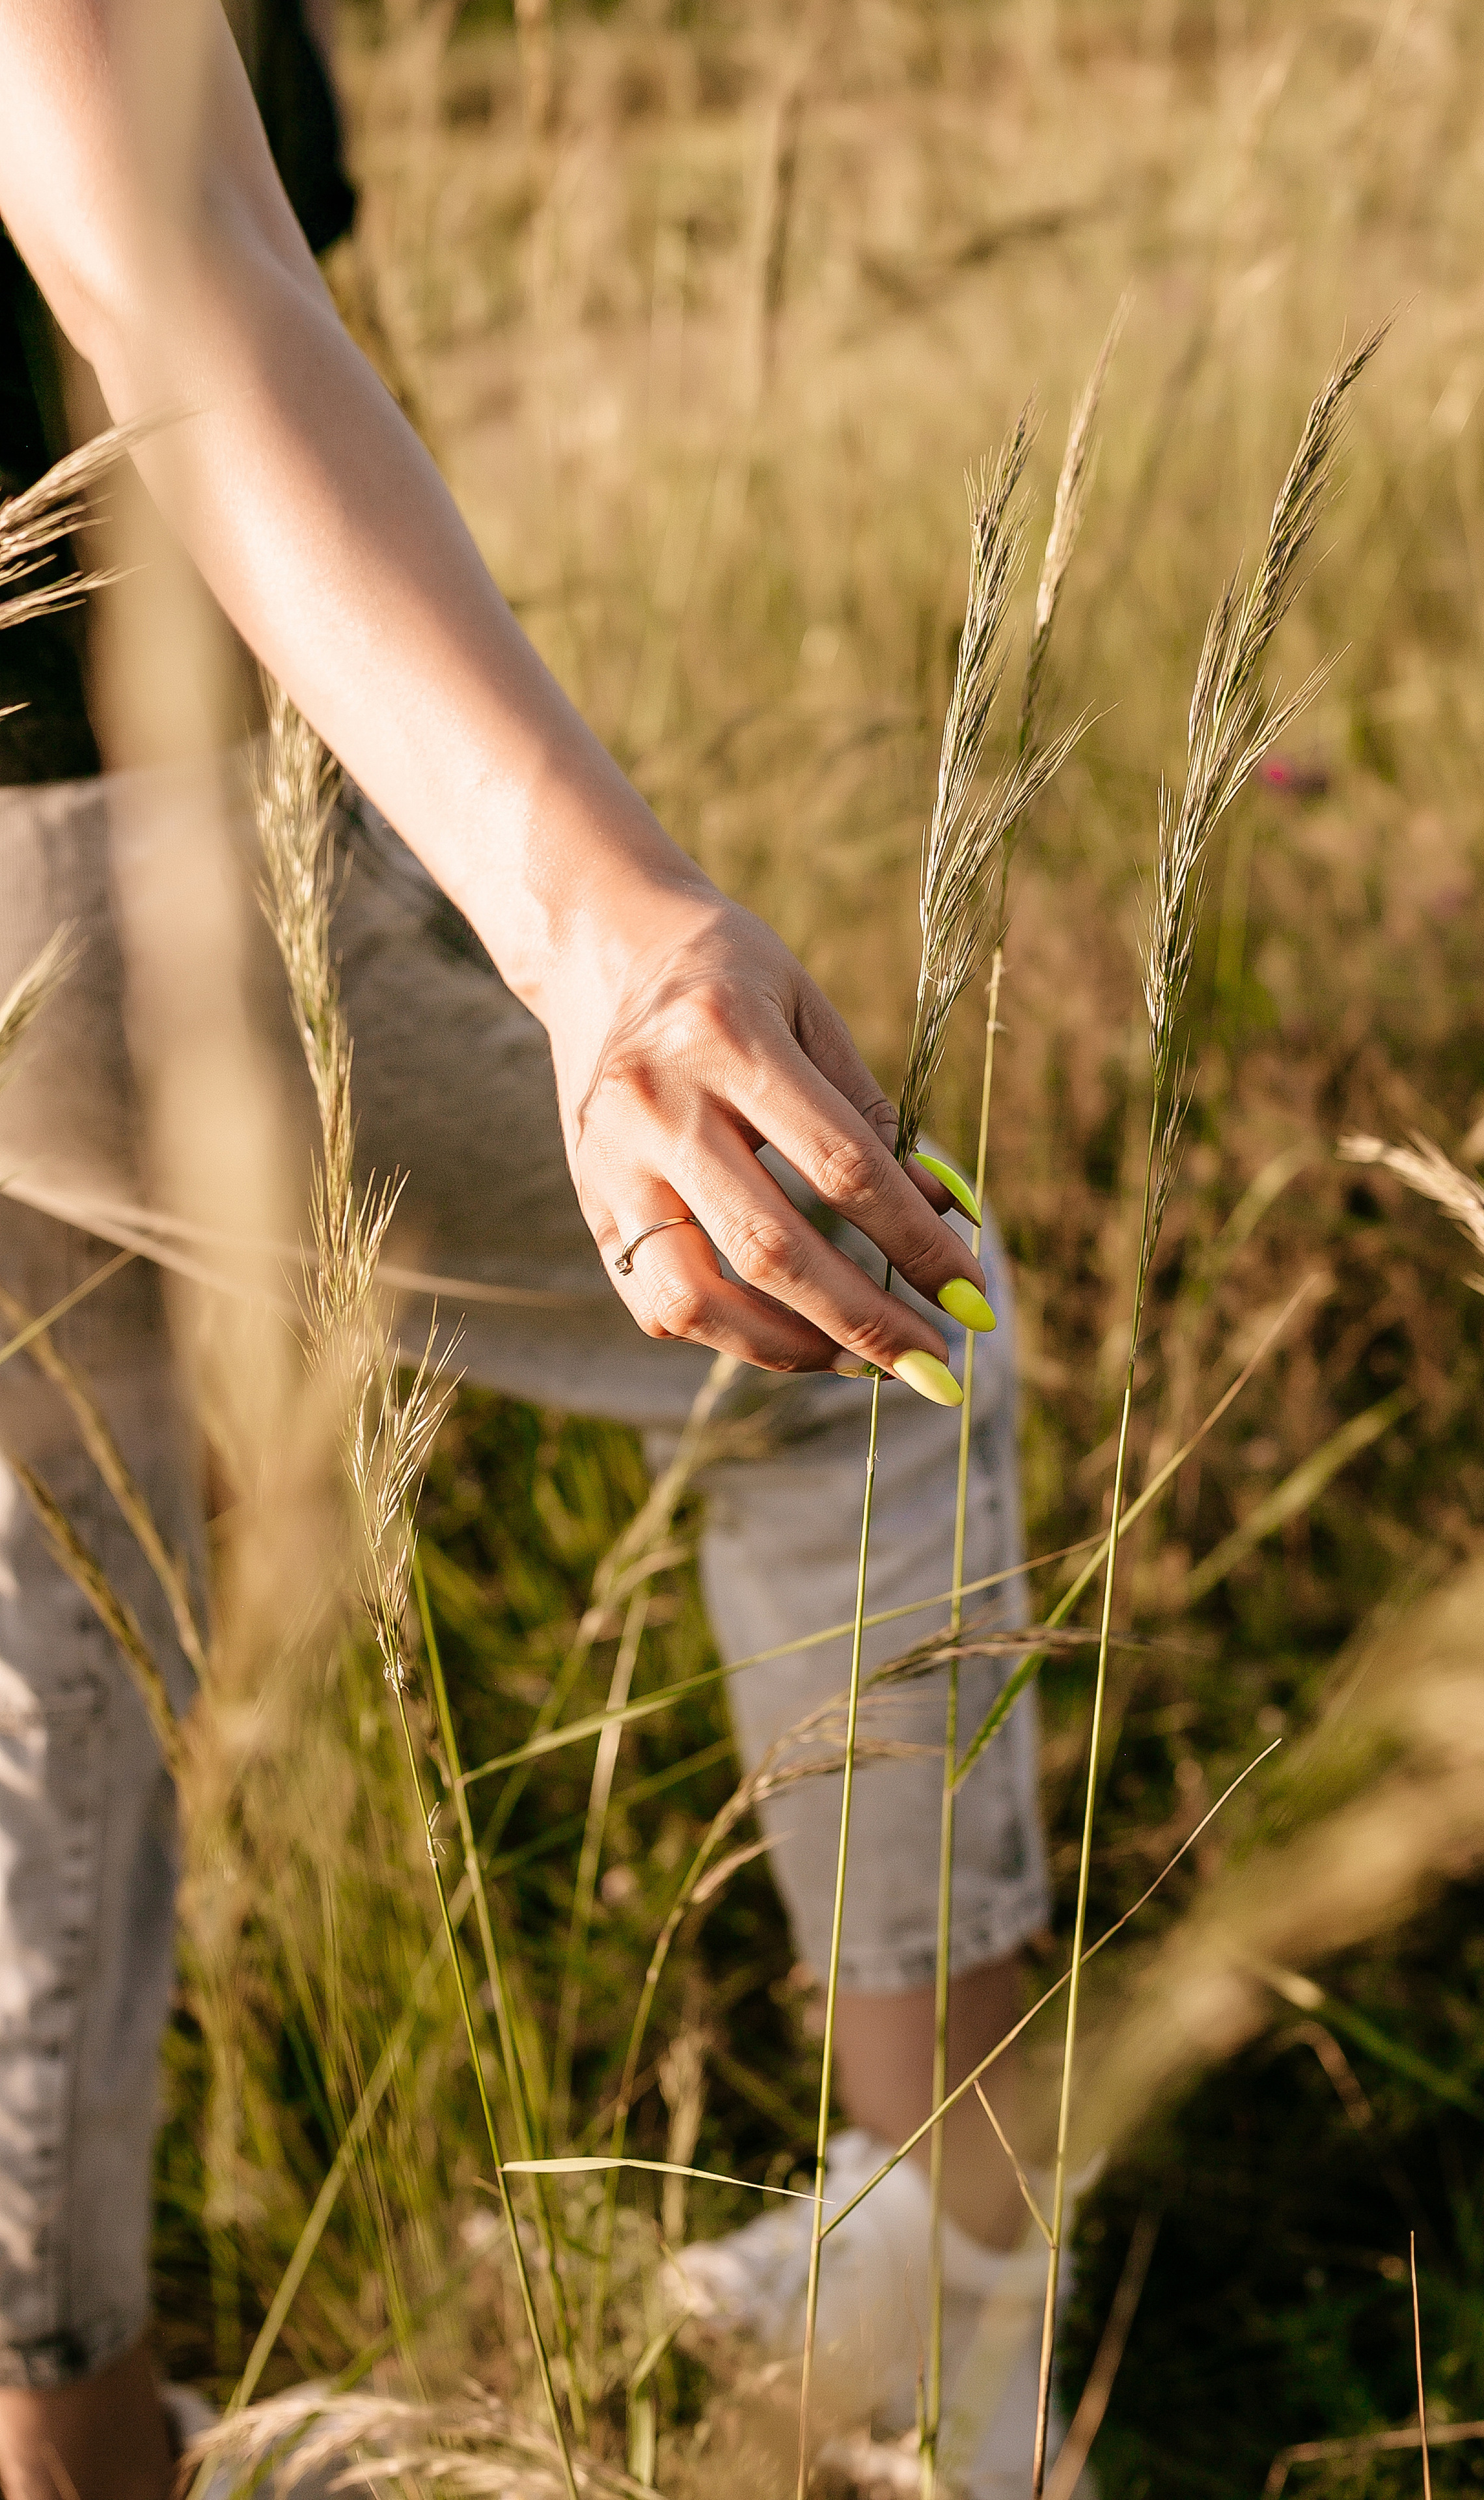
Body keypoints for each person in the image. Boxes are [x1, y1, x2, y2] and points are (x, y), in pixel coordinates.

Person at [0, 6, 1065, 2495]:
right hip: (102, 805)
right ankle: (965, 2316)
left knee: (49, 1627)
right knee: (863, 1328)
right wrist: (604, 927)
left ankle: (79, 2451)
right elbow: (143, 231)